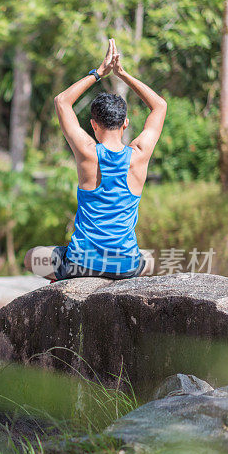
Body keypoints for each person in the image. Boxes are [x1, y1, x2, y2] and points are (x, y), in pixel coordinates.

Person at [24, 39, 167, 281]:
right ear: (125, 124)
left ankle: (63, 283)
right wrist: (122, 74)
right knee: (150, 259)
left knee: (31, 257)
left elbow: (62, 101)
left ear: (93, 124)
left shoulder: (87, 151)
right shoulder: (140, 154)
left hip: (80, 265)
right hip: (125, 267)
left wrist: (98, 73)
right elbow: (159, 106)